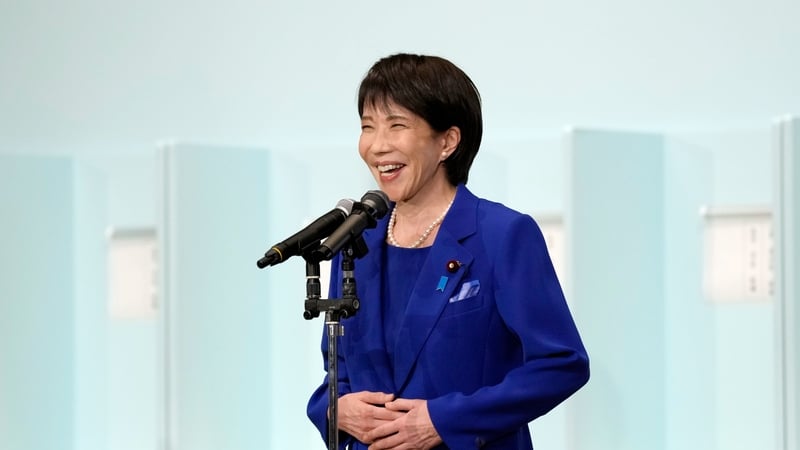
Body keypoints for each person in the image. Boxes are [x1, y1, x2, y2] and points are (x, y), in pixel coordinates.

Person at [307, 53, 589, 450]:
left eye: (396, 125)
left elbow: (561, 364)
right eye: (367, 127)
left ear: (447, 141)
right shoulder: (355, 241)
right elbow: (336, 373)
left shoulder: (502, 234)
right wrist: (332, 409)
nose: (377, 145)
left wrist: (442, 421)